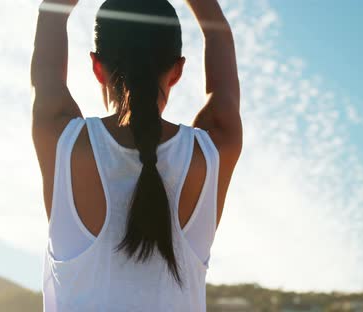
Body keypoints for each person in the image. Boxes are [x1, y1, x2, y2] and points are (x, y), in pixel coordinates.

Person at [31, 0, 241, 310]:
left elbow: (51, 20)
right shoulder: (211, 152)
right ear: (178, 70)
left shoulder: (63, 141)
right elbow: (218, 33)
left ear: (96, 67)